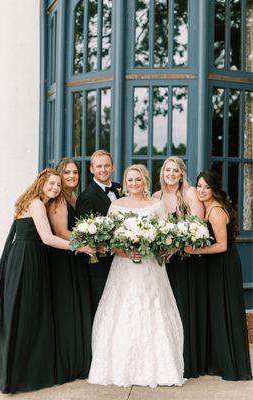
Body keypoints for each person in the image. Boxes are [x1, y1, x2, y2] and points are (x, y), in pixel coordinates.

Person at [88, 164, 185, 387]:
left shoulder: (156, 205)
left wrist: (158, 249)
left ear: (145, 182)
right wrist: (124, 251)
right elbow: (109, 240)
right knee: (123, 310)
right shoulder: (116, 206)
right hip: (124, 266)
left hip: (151, 267)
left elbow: (166, 235)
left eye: (138, 180)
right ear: (125, 182)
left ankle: (159, 368)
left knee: (153, 309)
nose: (133, 184)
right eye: (130, 180)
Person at [0, 169, 72, 393]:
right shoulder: (36, 204)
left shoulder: (34, 201)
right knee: (25, 312)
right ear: (41, 182)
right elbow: (47, 238)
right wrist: (79, 246)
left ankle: (18, 370)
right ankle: (21, 374)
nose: (55, 188)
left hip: (27, 256)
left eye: (58, 186)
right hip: (26, 260)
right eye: (51, 183)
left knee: (22, 311)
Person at [185, 170, 252, 381]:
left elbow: (222, 246)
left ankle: (232, 366)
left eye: (207, 186)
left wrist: (194, 251)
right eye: (200, 186)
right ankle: (220, 362)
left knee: (225, 310)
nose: (202, 191)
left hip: (223, 265)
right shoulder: (206, 207)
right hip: (214, 265)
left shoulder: (215, 211)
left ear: (214, 188)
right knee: (218, 311)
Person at [153, 156, 206, 378]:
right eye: (168, 170)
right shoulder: (155, 197)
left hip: (186, 260)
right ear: (162, 173)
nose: (171, 174)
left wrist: (177, 247)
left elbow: (198, 226)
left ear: (181, 173)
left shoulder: (190, 193)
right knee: (164, 311)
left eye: (175, 170)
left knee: (184, 308)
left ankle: (189, 362)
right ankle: (167, 361)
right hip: (162, 263)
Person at [48, 158, 94, 383]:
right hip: (63, 258)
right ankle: (67, 362)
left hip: (75, 256)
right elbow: (61, 232)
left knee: (75, 307)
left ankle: (77, 360)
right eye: (66, 173)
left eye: (75, 172)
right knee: (67, 308)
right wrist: (89, 241)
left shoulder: (73, 197)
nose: (71, 176)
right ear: (59, 174)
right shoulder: (58, 199)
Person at [75, 150, 122, 318]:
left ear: (113, 167)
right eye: (99, 166)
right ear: (91, 169)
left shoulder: (120, 189)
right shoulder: (86, 197)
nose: (103, 169)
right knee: (103, 310)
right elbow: (85, 235)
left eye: (107, 165)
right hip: (101, 264)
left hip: (124, 262)